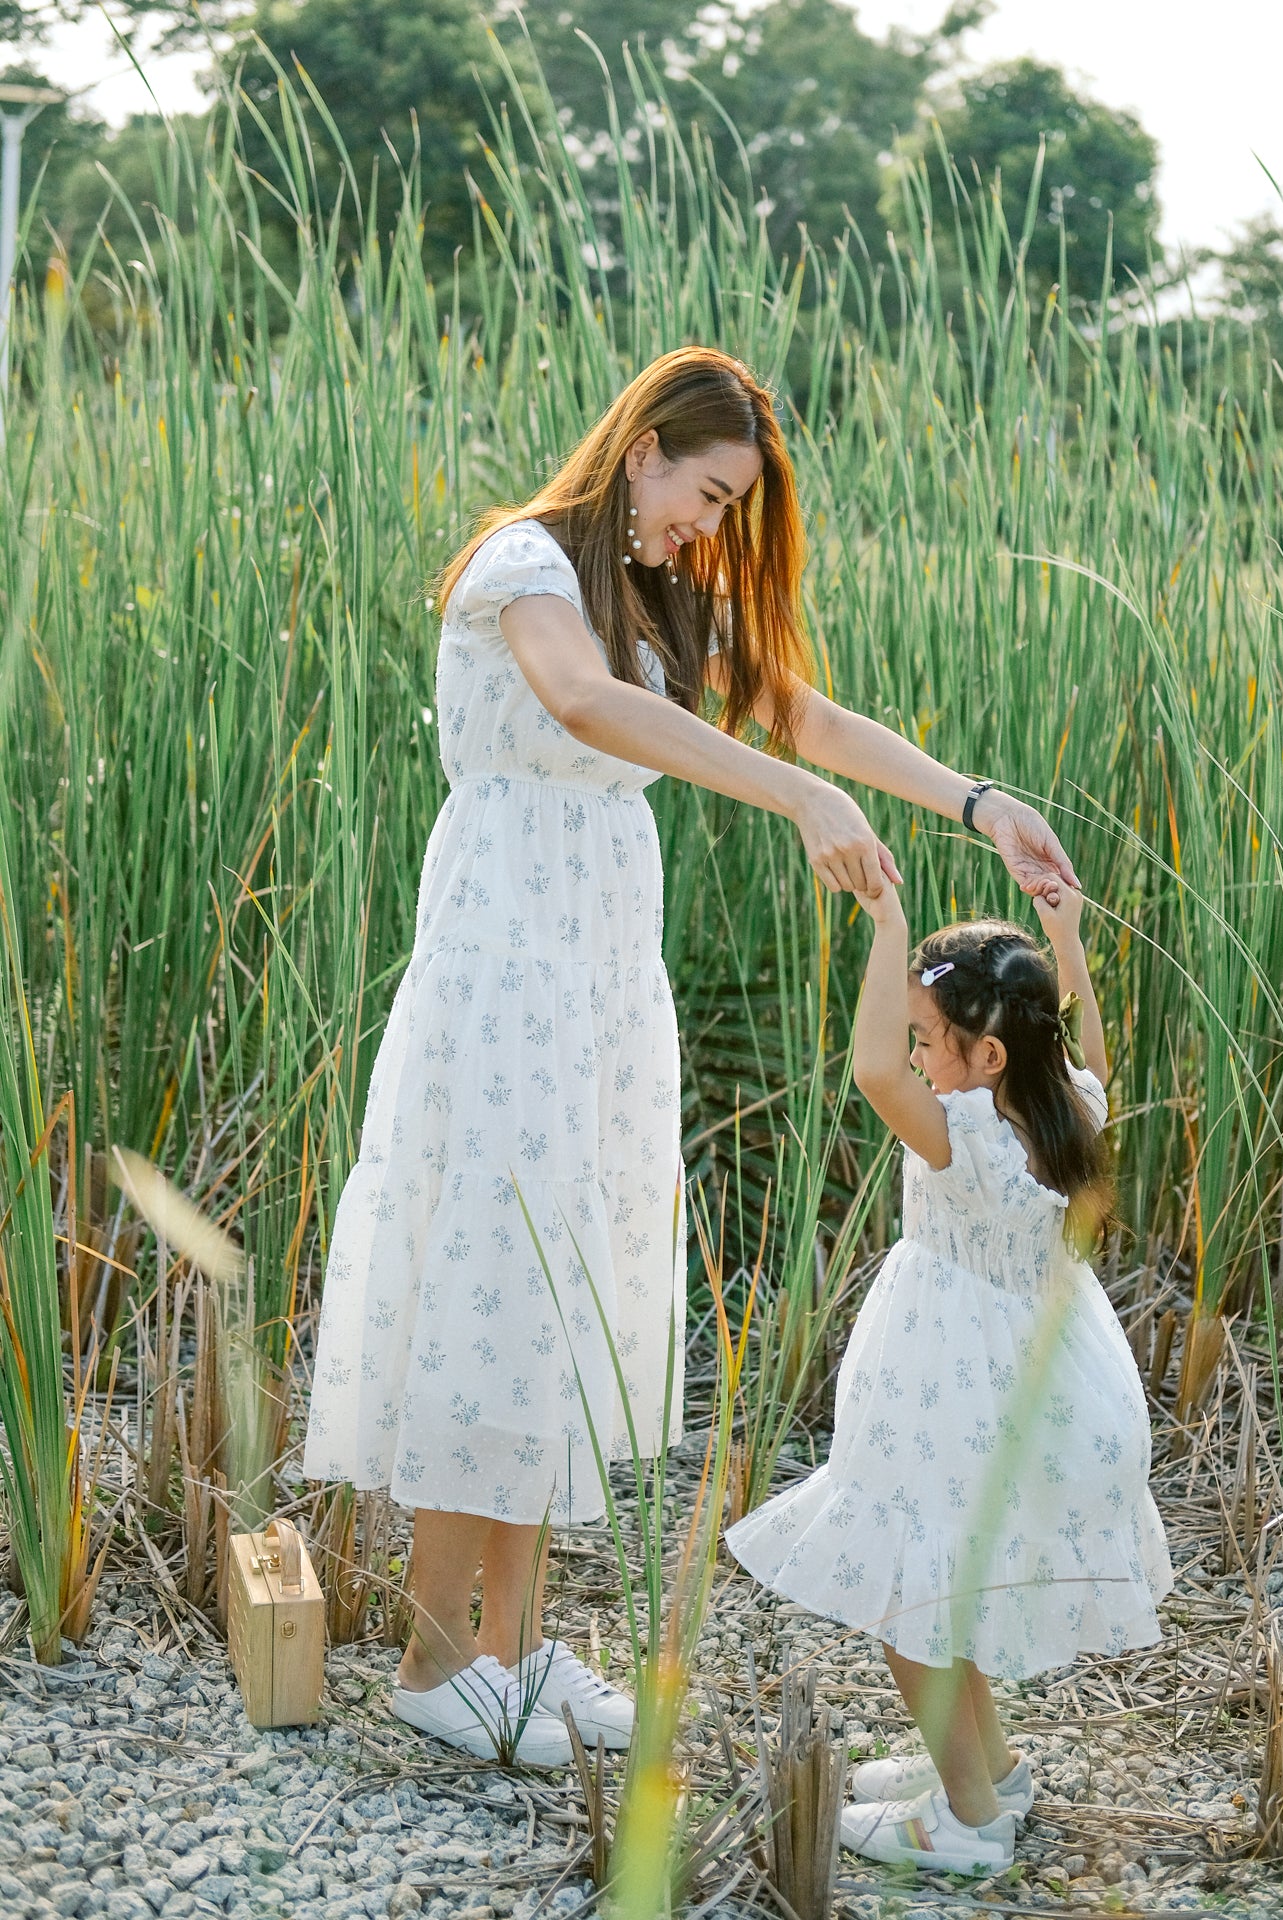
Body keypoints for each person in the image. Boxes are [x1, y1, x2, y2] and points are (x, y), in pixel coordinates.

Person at [303, 345, 1081, 1769]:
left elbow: (805, 712)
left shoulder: (653, 600)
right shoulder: (525, 564)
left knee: (560, 1284)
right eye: (707, 495)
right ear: (647, 445)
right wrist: (793, 799)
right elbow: (587, 706)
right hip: (503, 964)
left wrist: (977, 804)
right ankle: (430, 1658)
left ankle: (513, 1648)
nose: (706, 530)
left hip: (600, 978)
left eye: (729, 513)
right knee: (490, 1265)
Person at [727, 883, 1173, 1874]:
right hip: (1039, 1386)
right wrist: (1064, 938)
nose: (917, 1055)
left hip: (950, 1386)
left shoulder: (959, 1138)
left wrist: (890, 932)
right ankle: (988, 1770)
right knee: (947, 1580)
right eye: (919, 1037)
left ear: (989, 1056)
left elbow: (867, 1069)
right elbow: (1088, 1046)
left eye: (930, 1038)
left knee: (910, 1599)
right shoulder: (1069, 1110)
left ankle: (966, 1822)